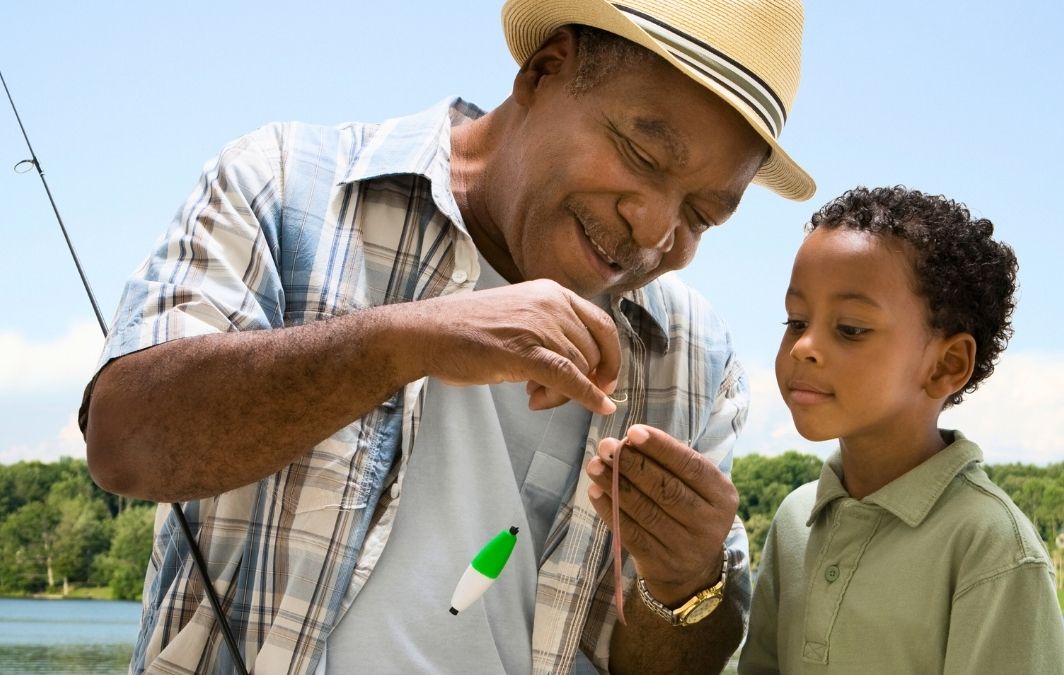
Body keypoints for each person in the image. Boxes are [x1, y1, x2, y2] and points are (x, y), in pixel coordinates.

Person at [81, 1, 814, 673]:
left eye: (702, 216)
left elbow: (671, 661)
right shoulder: (282, 181)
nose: (655, 230)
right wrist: (405, 340)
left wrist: (686, 581)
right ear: (543, 69)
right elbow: (125, 442)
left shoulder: (696, 356)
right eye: (644, 156)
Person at [738, 186, 1064, 674]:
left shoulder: (991, 546)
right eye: (795, 320)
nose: (803, 346)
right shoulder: (795, 519)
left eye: (850, 328)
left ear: (945, 366)